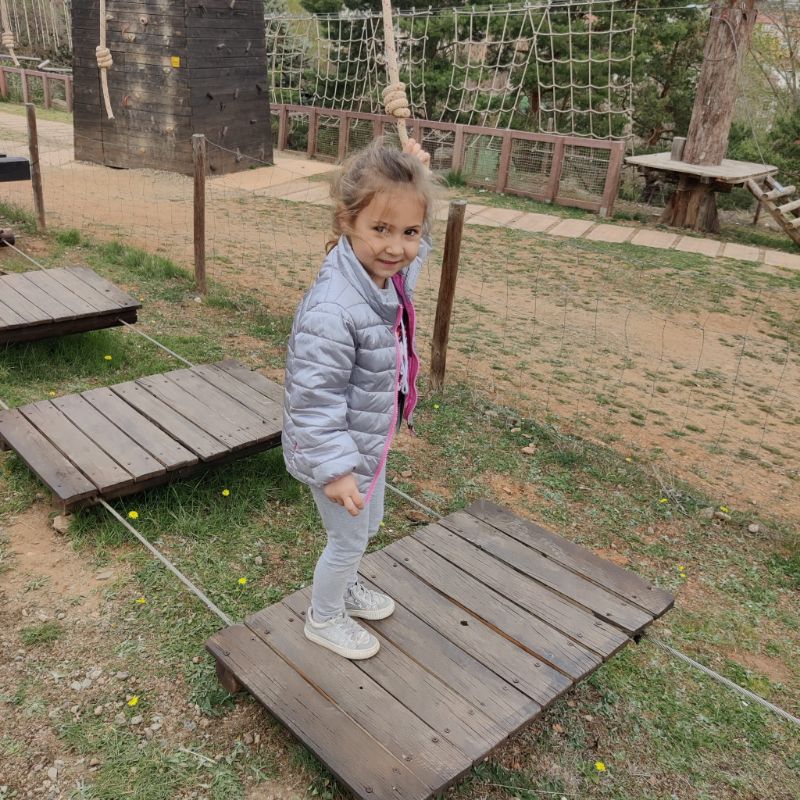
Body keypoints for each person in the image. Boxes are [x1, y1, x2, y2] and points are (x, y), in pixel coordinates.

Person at [282, 137, 435, 659]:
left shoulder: (382, 276)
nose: (396, 247)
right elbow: (313, 399)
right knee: (346, 538)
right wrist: (336, 470)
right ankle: (324, 617)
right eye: (381, 229)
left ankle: (346, 586)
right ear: (348, 222)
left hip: (370, 438)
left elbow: (412, 260)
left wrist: (416, 173)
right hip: (338, 453)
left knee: (367, 526)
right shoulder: (334, 309)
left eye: (409, 232)